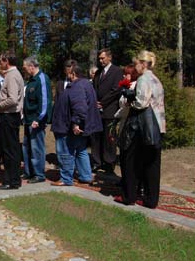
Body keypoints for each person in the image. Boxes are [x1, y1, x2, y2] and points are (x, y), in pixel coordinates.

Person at [115, 51, 165, 208]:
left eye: (136, 63)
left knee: (130, 160)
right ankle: (151, 200)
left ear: (143, 63)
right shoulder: (156, 79)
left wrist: (130, 99)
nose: (135, 67)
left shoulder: (144, 79)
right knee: (152, 164)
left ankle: (129, 196)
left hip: (142, 127)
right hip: (157, 125)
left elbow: (141, 103)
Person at [51, 65, 103, 186]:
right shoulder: (86, 85)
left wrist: (76, 123)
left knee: (66, 151)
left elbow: (80, 107)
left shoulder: (77, 86)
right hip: (78, 126)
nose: (68, 76)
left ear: (73, 74)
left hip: (68, 126)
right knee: (81, 150)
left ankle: (66, 178)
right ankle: (85, 175)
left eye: (69, 73)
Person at [0, 51, 25, 190]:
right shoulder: (15, 75)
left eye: (1, 61)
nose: (0, 63)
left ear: (6, 61)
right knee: (11, 148)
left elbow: (13, 99)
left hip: (10, 115)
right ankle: (12, 180)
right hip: (10, 115)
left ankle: (11, 181)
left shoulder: (12, 76)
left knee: (10, 150)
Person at [91, 48, 123, 173]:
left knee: (109, 138)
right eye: (99, 58)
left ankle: (109, 163)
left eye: (103, 58)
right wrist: (94, 101)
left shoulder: (117, 71)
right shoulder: (98, 72)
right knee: (97, 137)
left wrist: (102, 102)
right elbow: (94, 88)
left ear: (109, 57)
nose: (101, 60)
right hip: (97, 110)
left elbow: (116, 89)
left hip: (110, 109)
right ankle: (97, 161)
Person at [21, 56, 52, 184]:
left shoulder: (42, 79)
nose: (25, 70)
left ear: (31, 66)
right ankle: (29, 172)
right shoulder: (31, 81)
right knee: (27, 147)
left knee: (36, 147)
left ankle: (39, 174)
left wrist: (39, 119)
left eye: (25, 68)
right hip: (28, 119)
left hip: (36, 120)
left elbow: (45, 101)